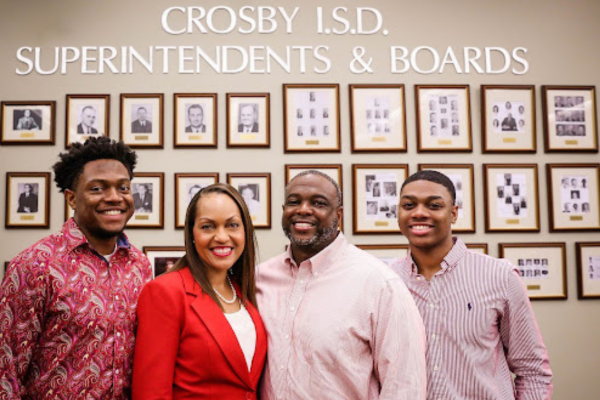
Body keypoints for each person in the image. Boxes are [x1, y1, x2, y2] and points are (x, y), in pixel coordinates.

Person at [0, 137, 152, 399]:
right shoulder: (35, 265)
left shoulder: (140, 266)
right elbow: (7, 370)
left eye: (123, 187)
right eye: (97, 189)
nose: (114, 197)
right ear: (71, 198)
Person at [256, 171, 426, 400]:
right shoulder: (259, 279)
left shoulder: (379, 284)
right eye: (294, 202)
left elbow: (405, 387)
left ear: (339, 215)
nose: (303, 209)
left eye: (318, 203)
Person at [391, 170, 553, 400]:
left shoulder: (500, 276)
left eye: (434, 205)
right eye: (409, 205)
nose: (419, 213)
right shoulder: (386, 281)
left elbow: (532, 370)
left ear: (453, 213)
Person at [132, 183, 267, 399]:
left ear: (245, 232)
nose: (222, 237)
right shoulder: (165, 292)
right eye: (208, 227)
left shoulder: (245, 290)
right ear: (192, 233)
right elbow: (151, 393)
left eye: (232, 225)